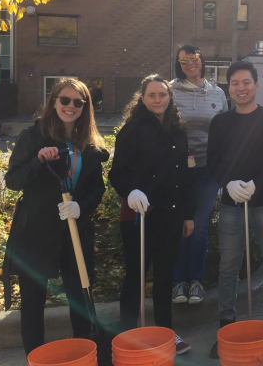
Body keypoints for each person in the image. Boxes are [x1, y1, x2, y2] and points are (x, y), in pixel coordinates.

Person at [3, 78, 108, 355]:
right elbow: (12, 180)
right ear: (53, 101)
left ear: (85, 108)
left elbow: (97, 188)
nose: (71, 106)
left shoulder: (89, 144)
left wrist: (81, 207)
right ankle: (36, 356)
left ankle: (85, 353)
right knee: (33, 300)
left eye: (78, 102)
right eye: (65, 100)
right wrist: (38, 160)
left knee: (80, 295)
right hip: (36, 230)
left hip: (76, 229)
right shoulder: (33, 135)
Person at [207, 61, 263, 357]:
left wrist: (258, 183)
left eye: (246, 82)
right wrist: (227, 183)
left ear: (256, 85)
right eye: (234, 83)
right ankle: (226, 328)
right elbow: (214, 161)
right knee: (228, 268)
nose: (240, 88)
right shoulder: (220, 123)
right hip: (232, 206)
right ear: (228, 88)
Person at [108, 75, 195, 354]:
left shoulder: (178, 131)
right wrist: (131, 191)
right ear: (142, 99)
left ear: (170, 98)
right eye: (152, 95)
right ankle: (126, 335)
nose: (158, 100)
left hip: (171, 215)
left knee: (165, 276)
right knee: (136, 276)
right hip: (140, 216)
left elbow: (186, 175)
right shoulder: (132, 130)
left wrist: (188, 214)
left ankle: (167, 333)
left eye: (163, 94)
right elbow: (117, 172)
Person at [170, 45, 228, 306]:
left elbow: (228, 129)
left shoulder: (217, 92)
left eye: (193, 59)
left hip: (208, 169)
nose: (189, 64)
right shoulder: (169, 91)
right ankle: (178, 281)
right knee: (181, 225)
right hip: (178, 172)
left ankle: (195, 281)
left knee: (200, 226)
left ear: (202, 61)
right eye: (183, 61)